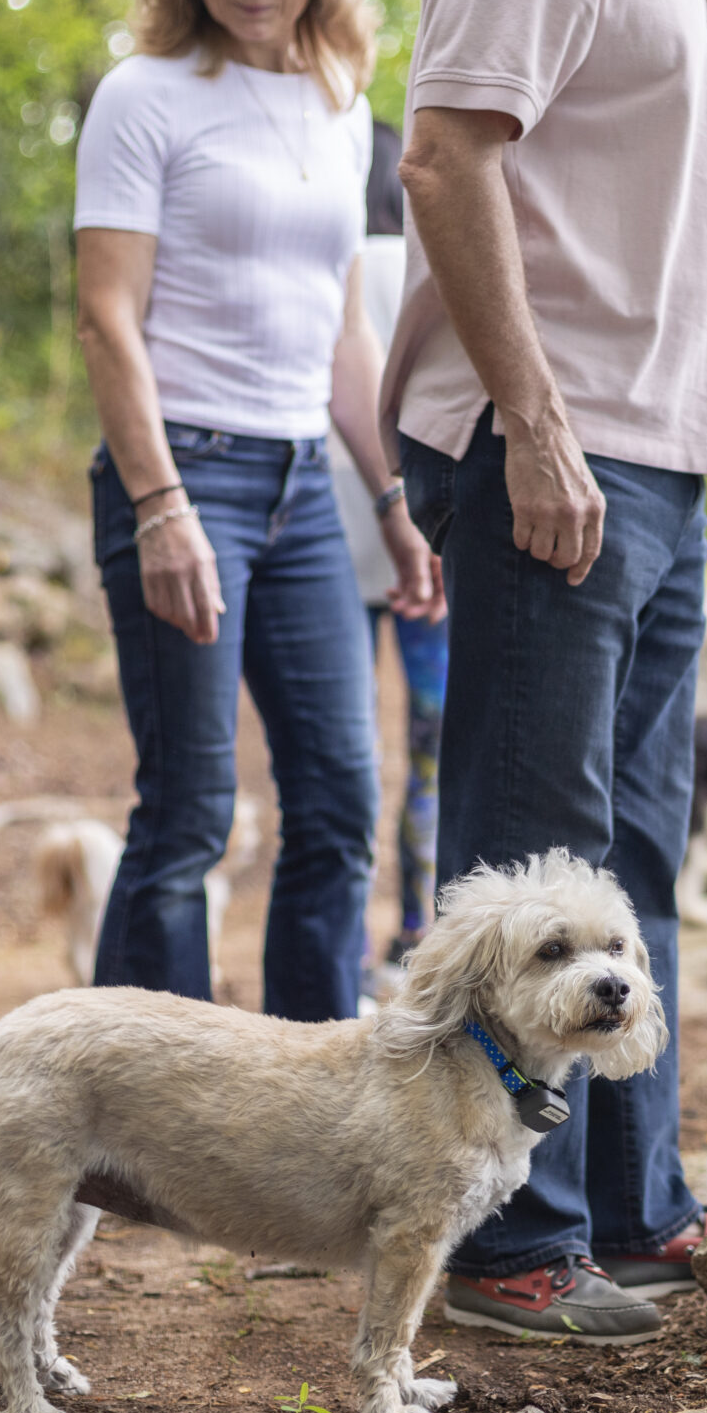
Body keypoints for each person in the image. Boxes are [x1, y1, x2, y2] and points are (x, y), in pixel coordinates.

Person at [384, 0, 707, 1343]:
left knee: (637, 849)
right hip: (552, 445)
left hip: (664, 452)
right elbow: (450, 158)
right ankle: (509, 1238)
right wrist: (528, 419)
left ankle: (633, 1205)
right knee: (537, 858)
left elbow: (643, 204)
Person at [74, 0, 439, 1021]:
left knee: (338, 804)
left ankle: (310, 1097)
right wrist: (160, 506)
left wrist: (394, 504)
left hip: (301, 491)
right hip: (185, 474)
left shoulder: (340, 105)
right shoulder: (143, 96)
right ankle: (142, 1113)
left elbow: (343, 339)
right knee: (187, 812)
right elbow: (108, 322)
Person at [328, 120, 447, 981]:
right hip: (425, 544)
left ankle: (350, 951)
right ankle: (417, 932)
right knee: (432, 747)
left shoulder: (333, 265)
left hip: (330, 534)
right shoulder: (428, 265)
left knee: (347, 748)